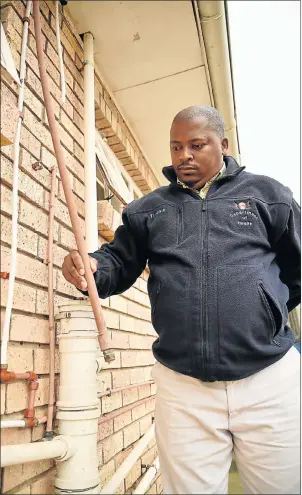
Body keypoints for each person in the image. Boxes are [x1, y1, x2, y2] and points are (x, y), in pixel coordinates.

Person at [62, 106, 301, 494]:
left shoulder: (269, 196)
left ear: (222, 146)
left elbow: (295, 271)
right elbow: (118, 263)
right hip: (183, 386)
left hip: (268, 378)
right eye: (176, 147)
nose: (184, 155)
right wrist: (91, 267)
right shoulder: (148, 209)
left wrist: (262, 309)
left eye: (196, 145)